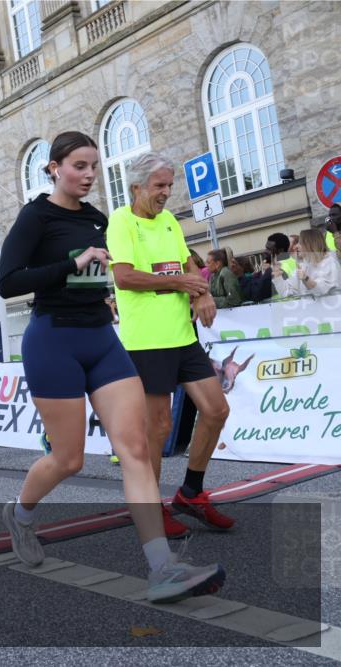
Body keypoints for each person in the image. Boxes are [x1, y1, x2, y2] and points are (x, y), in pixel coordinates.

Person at [0, 133, 224, 603]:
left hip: (101, 338)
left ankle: (162, 567)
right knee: (69, 458)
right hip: (53, 339)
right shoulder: (37, 215)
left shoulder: (99, 219)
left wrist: (95, 276)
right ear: (55, 168)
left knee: (137, 448)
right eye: (79, 166)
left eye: (95, 167)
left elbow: (100, 278)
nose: (89, 175)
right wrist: (73, 262)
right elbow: (8, 282)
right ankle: (20, 514)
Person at [107, 151, 235, 540]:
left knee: (216, 410)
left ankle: (191, 494)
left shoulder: (169, 223)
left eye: (169, 186)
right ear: (136, 187)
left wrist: (200, 293)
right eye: (159, 186)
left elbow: (188, 266)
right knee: (158, 428)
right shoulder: (120, 221)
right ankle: (149, 508)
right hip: (147, 341)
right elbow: (125, 277)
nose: (166, 193)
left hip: (183, 336)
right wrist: (183, 284)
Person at [272, 228, 341, 297]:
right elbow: (287, 292)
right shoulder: (303, 266)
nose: (297, 246)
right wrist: (277, 276)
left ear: (310, 244)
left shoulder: (330, 262)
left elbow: (322, 290)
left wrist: (306, 279)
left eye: (300, 243)